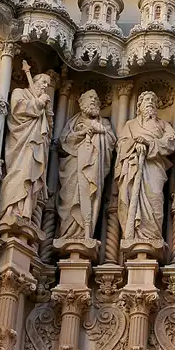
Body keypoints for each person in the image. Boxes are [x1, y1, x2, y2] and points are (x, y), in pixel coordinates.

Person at [0, 62, 53, 226]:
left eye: (47, 85)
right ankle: (11, 210)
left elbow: (47, 130)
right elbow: (17, 109)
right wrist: (38, 103)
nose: (45, 87)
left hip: (36, 146)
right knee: (20, 173)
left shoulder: (42, 100)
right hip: (21, 144)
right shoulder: (19, 92)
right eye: (43, 83)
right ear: (34, 81)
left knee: (32, 177)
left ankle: (26, 212)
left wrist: (46, 112)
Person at [115, 91, 175, 241]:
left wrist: (149, 143)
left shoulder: (163, 125)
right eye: (146, 100)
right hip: (134, 167)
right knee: (130, 199)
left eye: (152, 100)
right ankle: (134, 235)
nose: (150, 102)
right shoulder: (130, 125)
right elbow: (121, 144)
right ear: (139, 106)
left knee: (154, 198)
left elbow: (171, 142)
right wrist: (135, 145)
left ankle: (152, 236)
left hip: (154, 167)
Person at [57, 90, 115, 240]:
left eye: (96, 99)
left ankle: (86, 234)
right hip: (73, 166)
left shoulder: (104, 124)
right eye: (90, 98)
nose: (94, 101)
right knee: (70, 199)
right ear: (81, 103)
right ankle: (69, 234)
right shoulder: (73, 122)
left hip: (92, 168)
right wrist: (83, 133)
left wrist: (99, 132)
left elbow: (111, 142)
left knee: (89, 196)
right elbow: (63, 141)